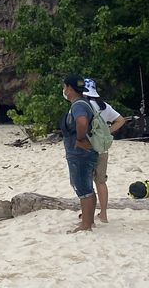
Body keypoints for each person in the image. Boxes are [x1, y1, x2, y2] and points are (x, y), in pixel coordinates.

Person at [83, 78, 126, 222]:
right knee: (101, 181)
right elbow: (121, 120)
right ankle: (104, 214)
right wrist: (107, 132)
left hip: (87, 147)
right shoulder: (104, 106)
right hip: (101, 148)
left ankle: (87, 215)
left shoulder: (82, 106)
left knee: (86, 183)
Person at [61, 75, 99, 233]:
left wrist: (80, 139)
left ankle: (86, 224)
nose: (63, 90)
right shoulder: (85, 102)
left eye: (64, 87)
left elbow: (82, 122)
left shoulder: (78, 105)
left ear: (69, 88)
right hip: (85, 152)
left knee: (83, 188)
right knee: (87, 187)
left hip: (80, 153)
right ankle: (89, 221)